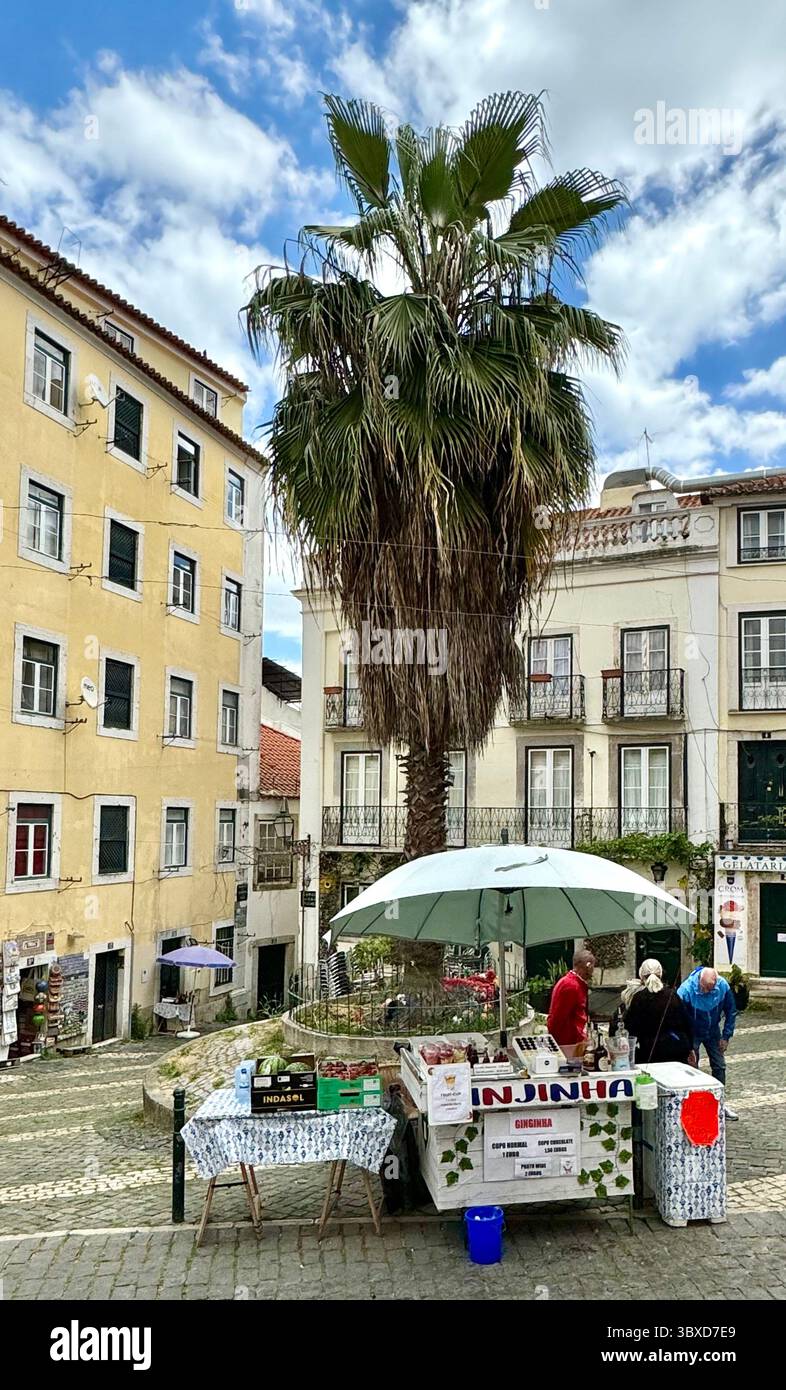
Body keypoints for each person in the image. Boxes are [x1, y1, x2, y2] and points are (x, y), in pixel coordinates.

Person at [678, 966, 738, 1120]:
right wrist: (688, 1045)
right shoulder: (685, 991)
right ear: (699, 981)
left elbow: (731, 1011)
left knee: (719, 1065)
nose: (708, 992)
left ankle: (719, 1104)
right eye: (705, 989)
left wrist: (726, 1036)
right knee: (692, 1069)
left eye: (712, 989)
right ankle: (694, 1105)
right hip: (693, 1033)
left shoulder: (722, 986)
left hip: (713, 1031)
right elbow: (680, 1021)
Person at [617, 958, 694, 1066]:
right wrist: (691, 1047)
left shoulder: (639, 998)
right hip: (676, 1052)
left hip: (649, 1053)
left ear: (641, 976)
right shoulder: (673, 995)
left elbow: (631, 1027)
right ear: (661, 975)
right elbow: (686, 1023)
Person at [547, 949, 595, 1054]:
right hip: (569, 1043)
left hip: (569, 1042)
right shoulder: (572, 986)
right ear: (588, 966)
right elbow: (558, 1019)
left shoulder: (570, 983)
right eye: (592, 967)